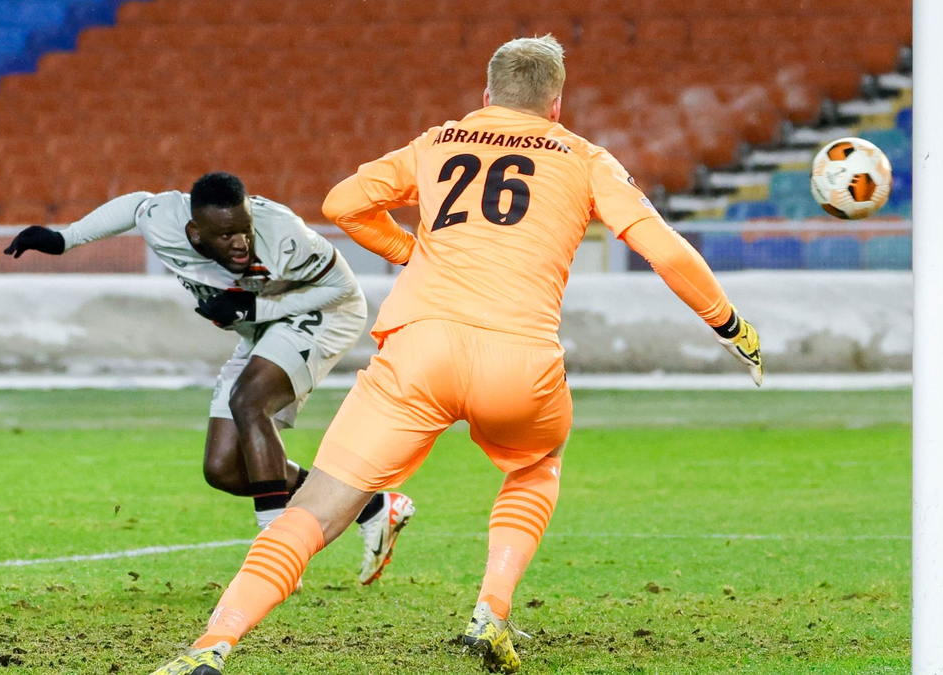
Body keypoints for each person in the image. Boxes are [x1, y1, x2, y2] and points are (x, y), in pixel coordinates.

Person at [149, 36, 761, 675]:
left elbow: (342, 205)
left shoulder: (440, 142)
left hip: (418, 349)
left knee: (314, 511)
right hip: (519, 360)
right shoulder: (584, 157)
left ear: (487, 94)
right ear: (556, 105)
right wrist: (729, 325)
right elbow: (661, 247)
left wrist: (410, 252)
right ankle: (491, 613)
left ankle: (210, 647)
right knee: (536, 464)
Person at [2, 172, 416, 587]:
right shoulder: (164, 218)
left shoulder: (283, 232)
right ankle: (372, 508)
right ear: (195, 233)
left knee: (249, 402)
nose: (240, 243)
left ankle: (275, 550)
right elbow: (134, 206)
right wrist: (63, 239)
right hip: (261, 324)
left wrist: (252, 309)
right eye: (225, 235)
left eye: (244, 229)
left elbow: (341, 288)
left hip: (323, 315)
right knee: (223, 469)